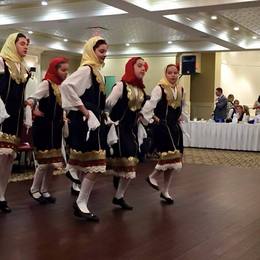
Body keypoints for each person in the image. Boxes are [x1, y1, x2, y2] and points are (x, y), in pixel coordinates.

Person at [60, 36, 108, 222]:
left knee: (91, 164)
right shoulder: (87, 70)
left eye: (105, 51)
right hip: (86, 122)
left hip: (92, 122)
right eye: (101, 51)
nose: (104, 55)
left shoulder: (96, 71)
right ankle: (81, 202)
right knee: (96, 165)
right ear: (91, 51)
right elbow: (66, 86)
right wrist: (84, 110)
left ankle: (78, 192)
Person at [105, 57, 147, 210]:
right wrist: (109, 121)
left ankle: (119, 196)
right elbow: (107, 105)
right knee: (127, 159)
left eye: (144, 67)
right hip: (117, 128)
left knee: (131, 161)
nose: (143, 69)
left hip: (131, 130)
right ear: (131, 67)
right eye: (139, 66)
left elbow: (139, 109)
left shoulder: (141, 90)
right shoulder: (120, 86)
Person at [27, 57, 69, 204]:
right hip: (44, 127)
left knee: (53, 162)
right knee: (44, 162)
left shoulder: (62, 86)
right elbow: (32, 98)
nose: (66, 73)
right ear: (55, 70)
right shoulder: (46, 84)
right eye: (63, 70)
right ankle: (34, 189)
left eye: (66, 70)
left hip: (55, 128)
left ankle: (45, 190)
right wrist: (33, 109)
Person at [140, 64, 183, 204]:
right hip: (163, 126)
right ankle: (152, 176)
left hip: (174, 127)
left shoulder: (180, 88)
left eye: (175, 73)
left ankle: (165, 192)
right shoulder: (160, 88)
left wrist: (181, 115)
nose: (173, 75)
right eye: (170, 73)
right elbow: (150, 105)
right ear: (165, 74)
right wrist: (152, 117)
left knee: (171, 162)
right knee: (171, 156)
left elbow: (182, 104)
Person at [0, 33, 30, 213]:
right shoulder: (2, 62)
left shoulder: (23, 68)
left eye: (27, 44)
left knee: (9, 157)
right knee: (1, 156)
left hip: (16, 118)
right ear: (13, 44)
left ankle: (2, 195)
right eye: (22, 43)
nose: (25, 47)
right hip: (2, 117)